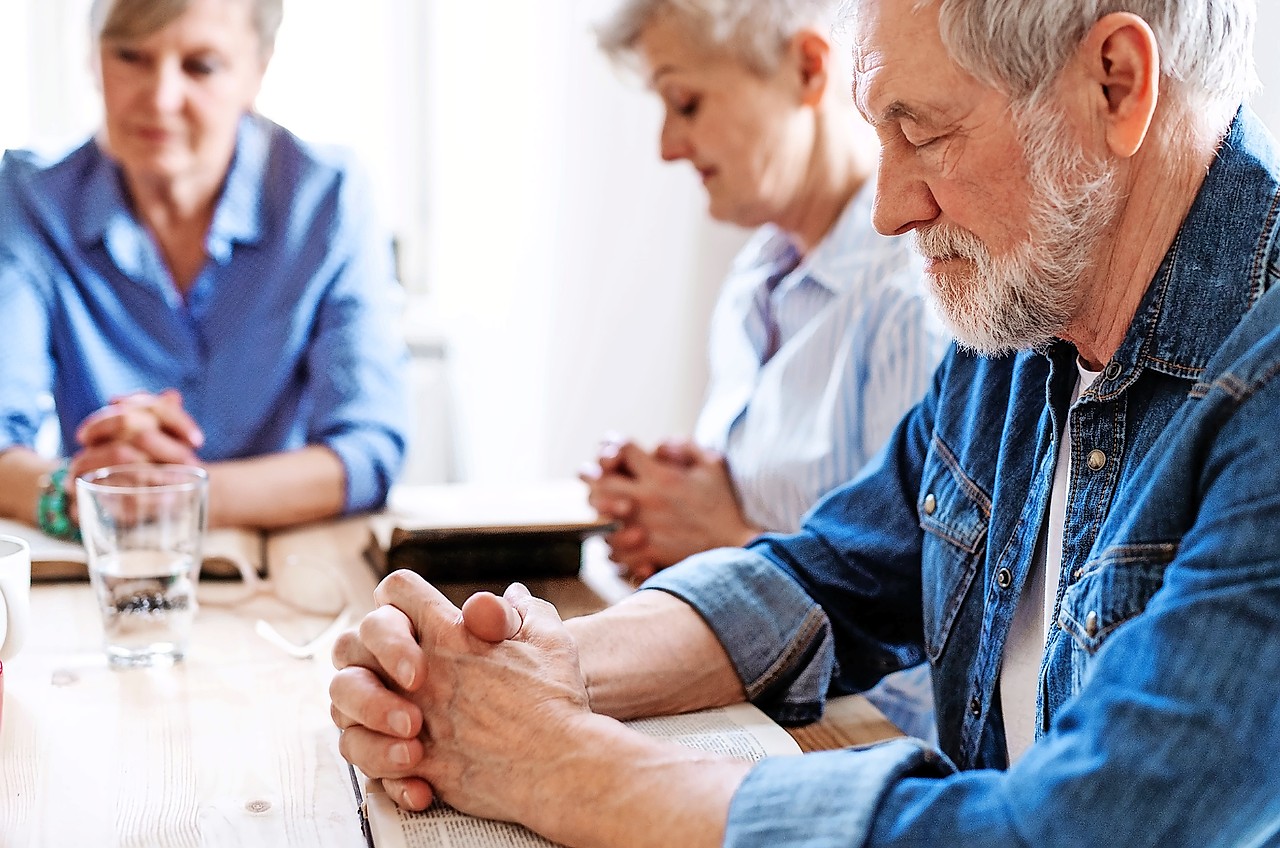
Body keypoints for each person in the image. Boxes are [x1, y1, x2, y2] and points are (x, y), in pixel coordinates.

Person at [332, 0, 1280, 845]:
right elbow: (828, 572)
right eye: (881, 135)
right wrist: (509, 673)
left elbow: (1082, 827)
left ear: (1115, 84)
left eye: (926, 133)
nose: (887, 209)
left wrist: (559, 766)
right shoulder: (1030, 309)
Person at [580, 0, 944, 742]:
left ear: (809, 70)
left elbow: (937, 653)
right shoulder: (757, 280)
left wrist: (724, 540)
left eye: (686, 102)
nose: (667, 145)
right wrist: (674, 500)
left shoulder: (912, 300)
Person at [0, 0, 409, 534]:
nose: (161, 99)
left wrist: (167, 495)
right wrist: (73, 492)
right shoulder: (30, 197)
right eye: (130, 56)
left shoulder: (327, 197)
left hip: (281, 563)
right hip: (106, 559)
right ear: (92, 57)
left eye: (202, 66)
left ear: (258, 70)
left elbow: (368, 447)